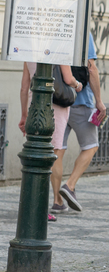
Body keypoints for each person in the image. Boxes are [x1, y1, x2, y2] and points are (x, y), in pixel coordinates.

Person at [19, 62, 82, 222]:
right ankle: (47, 205)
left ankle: (36, 205)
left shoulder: (30, 54)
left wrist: (24, 115)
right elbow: (68, 79)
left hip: (35, 106)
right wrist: (78, 84)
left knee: (36, 154)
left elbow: (24, 87)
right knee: (52, 155)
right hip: (56, 105)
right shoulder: (59, 48)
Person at [54, 34, 107, 214]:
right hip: (80, 100)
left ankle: (57, 201)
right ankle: (70, 185)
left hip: (57, 101)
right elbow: (91, 68)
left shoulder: (56, 28)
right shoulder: (84, 31)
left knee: (58, 150)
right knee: (91, 146)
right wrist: (99, 101)